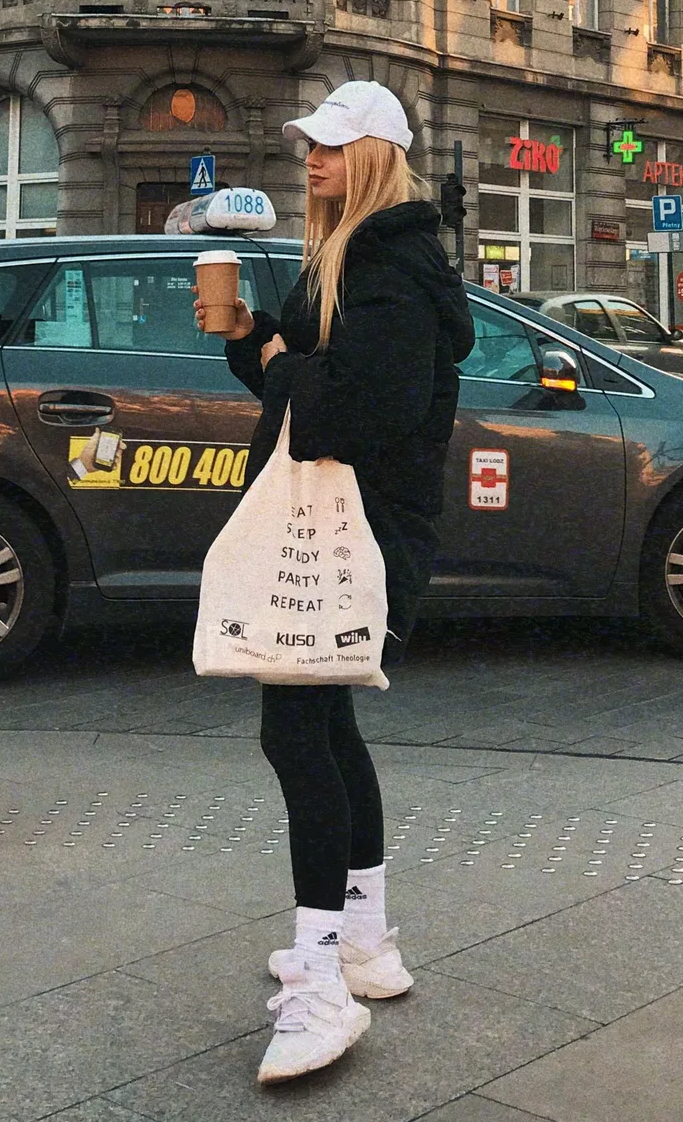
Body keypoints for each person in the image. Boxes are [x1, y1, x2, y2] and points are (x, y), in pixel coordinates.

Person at [195, 80, 474, 1085]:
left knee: (297, 731)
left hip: (363, 534)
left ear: (375, 158)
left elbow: (353, 413)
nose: (309, 159)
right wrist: (250, 341)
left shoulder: (392, 271)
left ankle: (319, 984)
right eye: (306, 143)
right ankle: (364, 939)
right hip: (341, 528)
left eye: (329, 146)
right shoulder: (346, 259)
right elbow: (302, 382)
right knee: (327, 728)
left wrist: (276, 356)